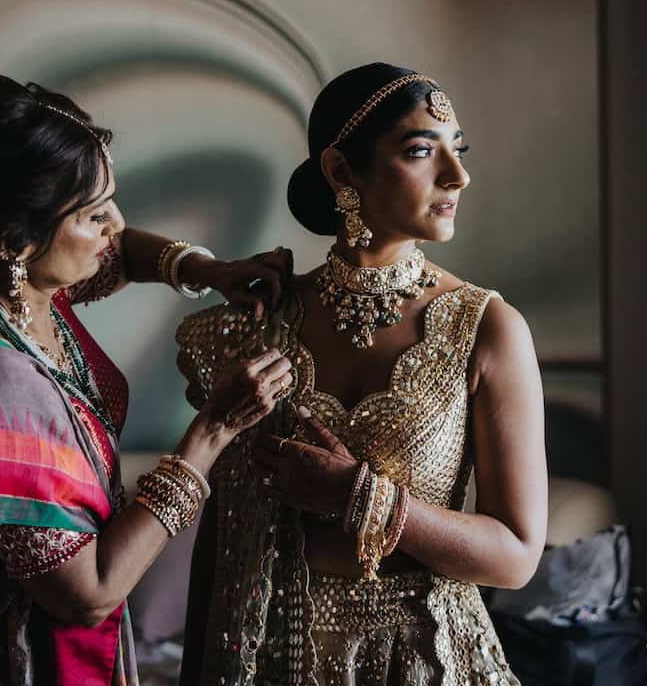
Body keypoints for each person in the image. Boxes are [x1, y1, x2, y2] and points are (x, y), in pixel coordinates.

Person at [0, 75, 295, 685]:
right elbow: (89, 593)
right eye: (95, 214)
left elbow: (123, 254)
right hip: (14, 656)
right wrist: (212, 430)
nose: (116, 224)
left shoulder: (14, 291)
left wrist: (208, 268)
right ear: (15, 239)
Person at [176, 63, 548, 684]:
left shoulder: (486, 328)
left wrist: (359, 495)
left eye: (457, 152)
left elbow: (515, 555)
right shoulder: (257, 323)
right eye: (421, 152)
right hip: (268, 658)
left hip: (423, 662)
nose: (458, 176)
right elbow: (223, 533)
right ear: (342, 171)